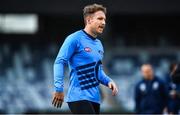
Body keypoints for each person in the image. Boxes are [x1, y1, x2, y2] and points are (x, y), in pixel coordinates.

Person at [52, 3, 118, 114]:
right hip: (79, 97)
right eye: (100, 19)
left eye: (105, 20)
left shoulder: (99, 45)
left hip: (95, 99)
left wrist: (108, 81)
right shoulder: (74, 39)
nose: (103, 22)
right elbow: (59, 62)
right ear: (89, 20)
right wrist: (58, 88)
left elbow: (98, 70)